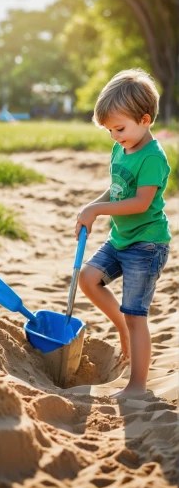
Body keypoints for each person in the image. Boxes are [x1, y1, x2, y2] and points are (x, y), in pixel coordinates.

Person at [75, 68, 171, 399]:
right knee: (88, 278)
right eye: (109, 131)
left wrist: (99, 211)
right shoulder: (122, 147)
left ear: (145, 119)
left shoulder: (152, 157)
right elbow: (116, 191)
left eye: (120, 128)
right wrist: (91, 206)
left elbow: (141, 202)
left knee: (136, 316)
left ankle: (137, 386)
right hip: (121, 240)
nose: (115, 136)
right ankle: (121, 326)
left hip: (146, 245)